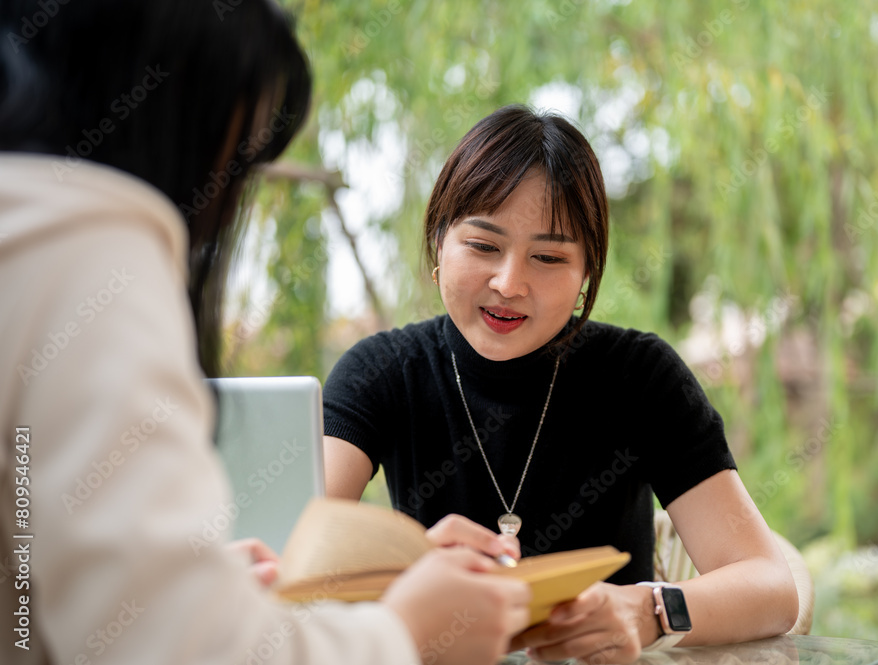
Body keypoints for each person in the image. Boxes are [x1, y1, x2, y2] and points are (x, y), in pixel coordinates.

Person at [0, 3, 530, 665]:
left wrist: (190, 584)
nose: (510, 283)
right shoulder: (88, 250)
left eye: (548, 255)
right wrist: (408, 633)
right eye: (241, 157)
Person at [322, 105, 800, 663]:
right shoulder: (381, 371)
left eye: (548, 256)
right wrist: (407, 573)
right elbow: (296, 562)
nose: (509, 282)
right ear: (439, 244)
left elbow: (772, 587)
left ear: (586, 275)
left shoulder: (640, 376)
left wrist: (646, 611)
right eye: (482, 245)